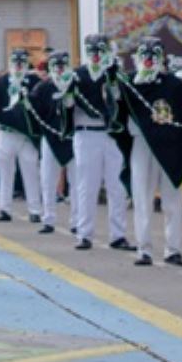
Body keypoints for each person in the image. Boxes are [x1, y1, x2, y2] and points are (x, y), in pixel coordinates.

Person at [119, 38, 182, 268]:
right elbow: (114, 109)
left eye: (154, 54)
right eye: (144, 54)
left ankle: (173, 249)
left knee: (172, 199)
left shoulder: (172, 84)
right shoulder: (128, 83)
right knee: (142, 198)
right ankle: (144, 249)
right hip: (142, 143)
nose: (149, 59)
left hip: (168, 145)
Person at [68, 35, 130, 252]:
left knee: (117, 186)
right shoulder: (77, 75)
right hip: (86, 134)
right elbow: (66, 104)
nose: (95, 54)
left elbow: (121, 101)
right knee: (87, 185)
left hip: (111, 134)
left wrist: (114, 76)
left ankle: (118, 234)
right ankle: (84, 234)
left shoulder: (113, 74)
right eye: (91, 49)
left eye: (100, 49)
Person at [0, 48, 42, 224]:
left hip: (26, 135)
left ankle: (35, 209)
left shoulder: (34, 81)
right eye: (15, 62)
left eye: (22, 62)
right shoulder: (1, 82)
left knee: (31, 171)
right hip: (6, 132)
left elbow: (41, 105)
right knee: (6, 173)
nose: (18, 65)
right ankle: (4, 208)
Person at [30, 53, 73, 235]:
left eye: (63, 64)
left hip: (72, 137)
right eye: (56, 64)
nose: (60, 68)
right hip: (49, 137)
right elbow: (34, 112)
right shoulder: (43, 87)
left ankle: (77, 220)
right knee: (47, 179)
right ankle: (48, 218)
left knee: (77, 182)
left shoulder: (74, 84)